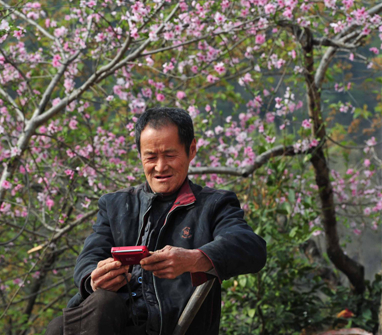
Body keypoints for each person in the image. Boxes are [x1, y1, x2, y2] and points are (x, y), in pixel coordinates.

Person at [46, 107, 267, 335]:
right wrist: (94, 278)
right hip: (108, 322)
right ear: (140, 155)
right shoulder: (115, 205)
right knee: (64, 324)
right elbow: (89, 257)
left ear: (191, 150)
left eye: (170, 156)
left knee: (96, 307)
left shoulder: (214, 205)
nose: (160, 167)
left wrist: (194, 259)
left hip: (169, 327)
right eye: (151, 157)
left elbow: (251, 247)